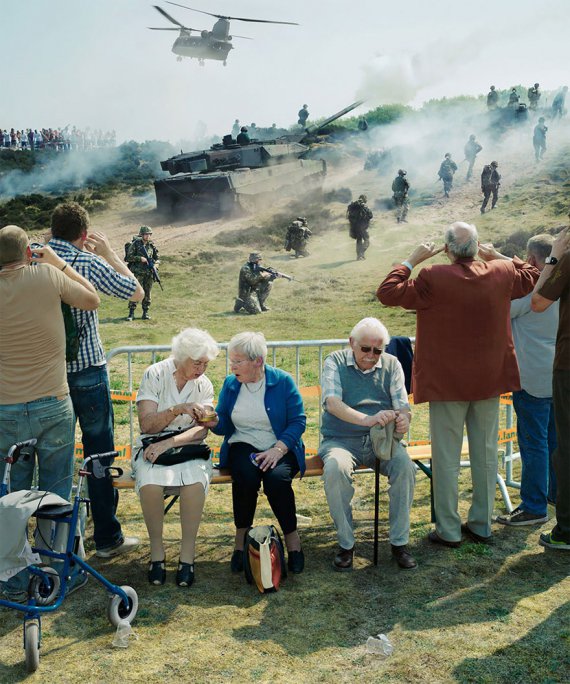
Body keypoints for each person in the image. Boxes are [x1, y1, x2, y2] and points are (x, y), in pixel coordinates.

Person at [377, 222, 539, 547]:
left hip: (446, 384)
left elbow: (387, 293)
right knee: (486, 453)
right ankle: (481, 524)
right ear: (478, 247)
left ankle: (449, 531)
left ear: (448, 250)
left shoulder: (432, 277)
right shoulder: (503, 271)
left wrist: (411, 260)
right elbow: (533, 275)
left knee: (447, 456)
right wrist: (499, 255)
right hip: (488, 381)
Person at [0, 226, 99, 601]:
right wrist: (59, 264)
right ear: (29, 252)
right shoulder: (45, 274)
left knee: (12, 494)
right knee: (56, 489)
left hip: (6, 406)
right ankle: (57, 568)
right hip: (53, 401)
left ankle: (13, 572)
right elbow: (91, 300)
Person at [49, 202, 144, 558]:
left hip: (47, 373)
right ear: (84, 234)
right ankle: (106, 537)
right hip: (87, 369)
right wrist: (109, 253)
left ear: (52, 230)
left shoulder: (32, 262)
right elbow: (136, 292)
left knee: (55, 456)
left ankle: (58, 539)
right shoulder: (87, 262)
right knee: (99, 453)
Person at [319, 318, 417, 571]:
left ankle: (399, 542)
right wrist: (368, 419)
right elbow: (332, 403)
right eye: (365, 349)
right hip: (340, 439)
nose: (372, 356)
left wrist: (404, 420)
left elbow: (402, 406)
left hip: (382, 440)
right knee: (334, 469)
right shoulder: (334, 361)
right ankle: (346, 543)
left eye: (378, 350)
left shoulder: (392, 364)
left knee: (405, 468)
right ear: (351, 343)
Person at [210, 332, 306, 574]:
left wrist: (278, 449)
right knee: (245, 476)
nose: (232, 366)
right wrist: (210, 421)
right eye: (231, 360)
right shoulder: (231, 384)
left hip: (280, 444)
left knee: (276, 481)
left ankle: (293, 541)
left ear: (258, 361)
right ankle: (241, 539)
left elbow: (298, 421)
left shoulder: (282, 381)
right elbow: (223, 426)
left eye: (238, 361)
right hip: (243, 443)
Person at [133, 327, 220, 586]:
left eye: (206, 364)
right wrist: (177, 409)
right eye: (197, 363)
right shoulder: (155, 374)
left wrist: (171, 442)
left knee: (194, 484)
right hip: (152, 444)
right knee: (150, 485)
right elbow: (147, 425)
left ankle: (187, 557)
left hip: (186, 447)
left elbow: (201, 431)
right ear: (182, 357)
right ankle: (157, 555)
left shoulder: (204, 384)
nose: (202, 369)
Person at [495, 235, 558, 528]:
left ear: (532, 260)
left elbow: (497, 316)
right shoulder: (562, 288)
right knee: (556, 442)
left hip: (532, 379)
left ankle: (534, 506)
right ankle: (556, 495)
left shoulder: (531, 296)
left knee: (534, 445)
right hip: (560, 378)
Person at [531, 227, 570, 551]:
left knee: (566, 447)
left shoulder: (567, 258)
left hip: (569, 365)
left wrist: (555, 255)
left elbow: (539, 301)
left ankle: (567, 531)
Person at [126, 226, 160, 320]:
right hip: (138, 273)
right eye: (146, 234)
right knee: (136, 292)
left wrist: (155, 266)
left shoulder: (152, 246)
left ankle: (145, 312)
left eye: (149, 234)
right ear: (141, 235)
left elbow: (157, 259)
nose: (148, 236)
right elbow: (128, 257)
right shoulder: (136, 244)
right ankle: (131, 313)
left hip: (149, 273)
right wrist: (140, 258)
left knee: (147, 293)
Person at [347, 194, 373, 260]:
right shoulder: (363, 206)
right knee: (367, 241)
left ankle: (359, 256)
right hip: (362, 227)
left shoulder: (354, 206)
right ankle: (361, 254)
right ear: (364, 199)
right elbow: (370, 215)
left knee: (359, 241)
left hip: (355, 227)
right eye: (366, 199)